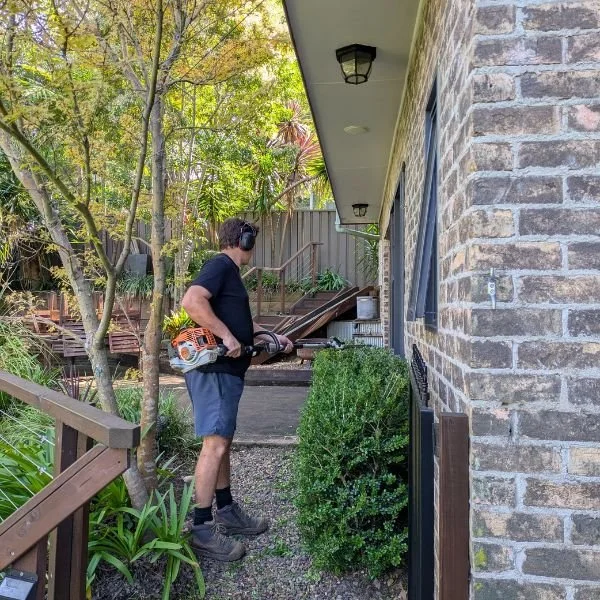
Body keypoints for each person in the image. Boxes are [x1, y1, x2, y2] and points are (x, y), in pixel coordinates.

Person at [181, 217, 293, 561]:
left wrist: (271, 336)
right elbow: (192, 300)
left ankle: (227, 510)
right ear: (242, 241)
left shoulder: (229, 274)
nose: (252, 248)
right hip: (215, 371)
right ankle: (202, 529)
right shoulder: (219, 266)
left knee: (223, 442)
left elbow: (241, 322)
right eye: (251, 241)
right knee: (214, 445)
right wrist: (228, 337)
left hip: (227, 373)